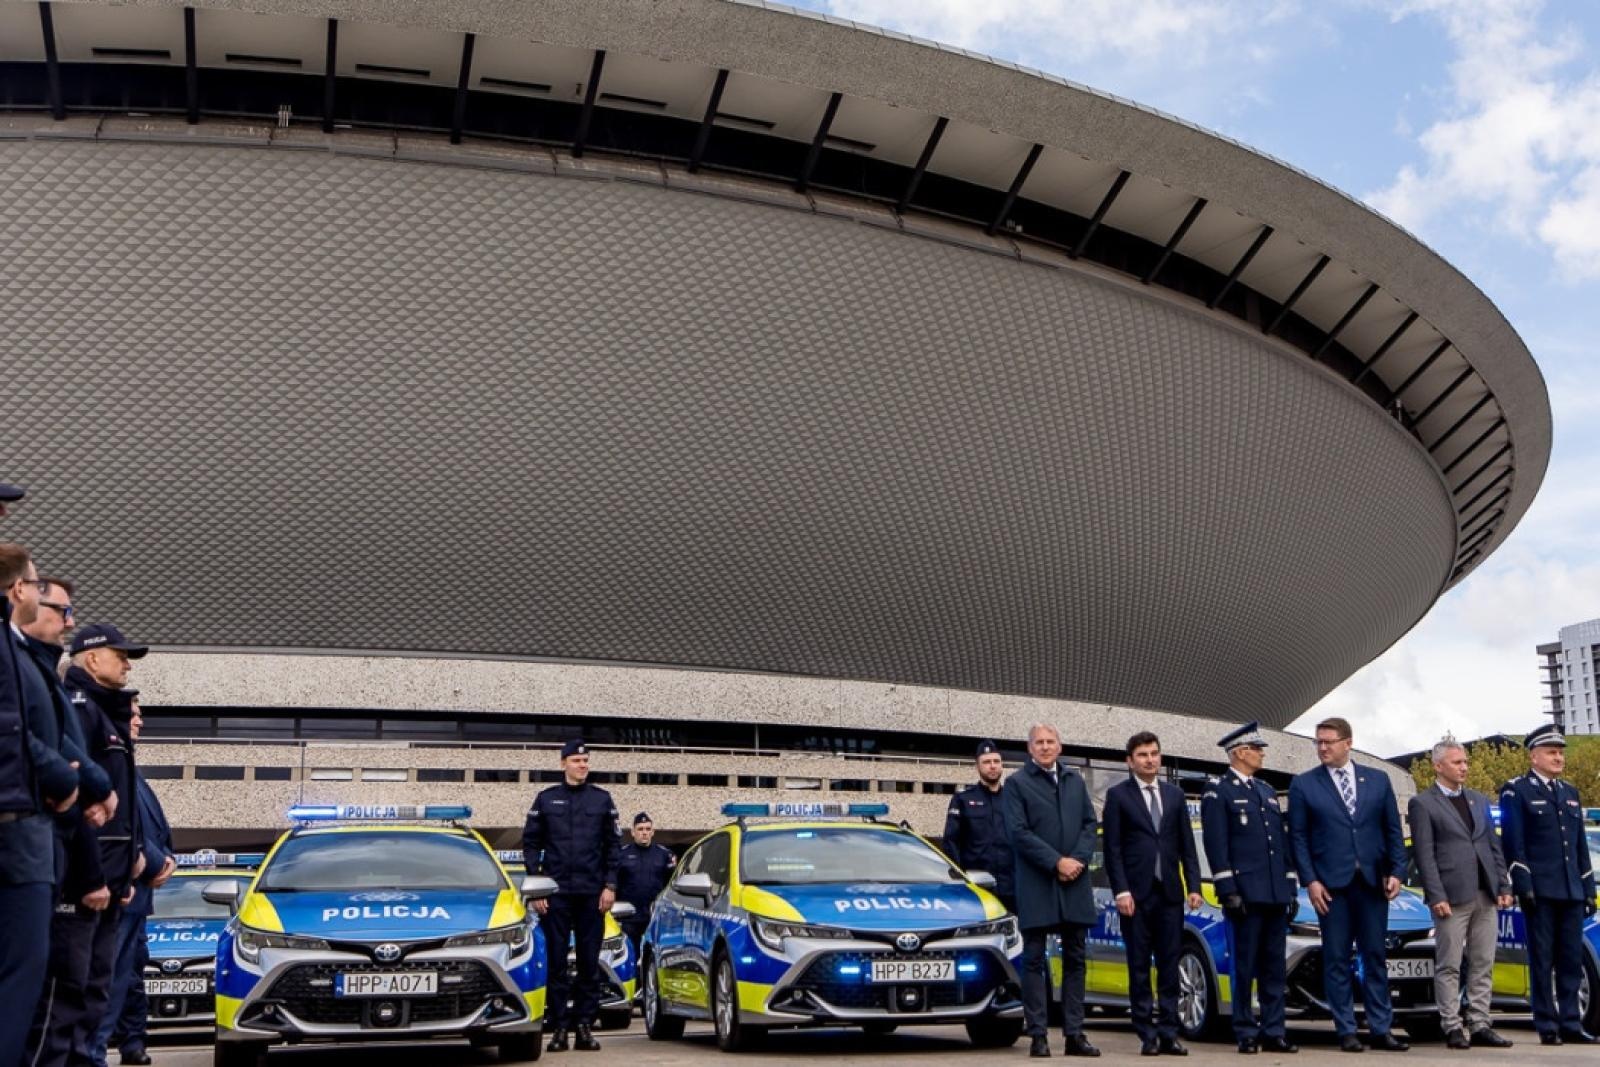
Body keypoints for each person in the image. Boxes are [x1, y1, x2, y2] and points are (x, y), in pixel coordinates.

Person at [36, 623, 149, 1067]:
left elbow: (121, 808)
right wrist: (91, 874)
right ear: (92, 657)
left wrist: (129, 863)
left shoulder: (107, 714)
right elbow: (80, 803)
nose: (126, 663)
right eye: (119, 654)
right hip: (84, 884)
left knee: (95, 994)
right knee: (70, 994)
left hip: (110, 883)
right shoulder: (80, 711)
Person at [1287, 716, 1408, 1053]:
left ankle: (1381, 1028)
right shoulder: (1304, 785)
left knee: (1375, 956)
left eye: (1328, 741)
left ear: (1347, 742)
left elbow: (1392, 831)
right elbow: (1298, 838)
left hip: (1372, 883)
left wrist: (1397, 870)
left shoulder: (1378, 780)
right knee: (1337, 958)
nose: (1322, 747)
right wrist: (1310, 880)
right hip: (1331, 887)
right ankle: (1346, 1029)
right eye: (1318, 742)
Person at [1, 533, 74, 1067]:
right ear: (18, 590)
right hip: (17, 825)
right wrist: (69, 780)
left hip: (25, 822)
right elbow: (14, 731)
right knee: (20, 978)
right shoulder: (14, 652)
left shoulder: (16, 650)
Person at [1002, 723, 1100, 1059]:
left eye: (1050, 741)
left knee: (1075, 958)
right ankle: (1038, 1035)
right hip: (1038, 882)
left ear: (1060, 746)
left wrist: (1078, 860)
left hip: (1075, 882)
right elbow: (1017, 832)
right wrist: (1056, 861)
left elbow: (1090, 824)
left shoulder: (1074, 781)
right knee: (1034, 960)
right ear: (1029, 749)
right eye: (1039, 743)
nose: (1045, 747)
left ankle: (1075, 1034)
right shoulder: (1016, 784)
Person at [1407, 739, 1513, 1050]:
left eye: (1465, 762)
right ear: (1438, 766)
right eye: (1457, 763)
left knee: (1483, 961)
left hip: (1485, 893)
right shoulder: (1423, 804)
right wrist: (1435, 894)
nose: (1464, 767)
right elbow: (1425, 855)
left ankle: (1480, 1022)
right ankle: (1452, 1025)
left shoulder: (1479, 800)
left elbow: (1492, 846)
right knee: (1450, 964)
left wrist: (1504, 886)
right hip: (1451, 897)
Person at [1101, 731, 1202, 1057]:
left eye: (1155, 753)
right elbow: (1112, 849)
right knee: (1140, 965)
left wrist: (1195, 887)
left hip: (1171, 894)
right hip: (1136, 896)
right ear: (1130, 761)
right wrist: (1121, 891)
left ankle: (1170, 1032)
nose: (1150, 760)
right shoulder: (1118, 796)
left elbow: (1187, 845)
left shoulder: (1174, 795)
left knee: (1170, 964)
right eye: (1143, 755)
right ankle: (1147, 1034)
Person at [1200, 722, 1298, 1055]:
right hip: (1245, 893)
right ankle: (1244, 1030)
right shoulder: (1219, 791)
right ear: (1240, 752)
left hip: (1273, 894)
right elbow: (1217, 844)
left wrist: (1289, 887)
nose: (1261, 754)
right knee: (1244, 966)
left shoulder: (1267, 791)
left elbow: (1280, 845)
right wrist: (1227, 889)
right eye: (1256, 749)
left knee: (1273, 968)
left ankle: (1274, 1030)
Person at [1499, 724, 1597, 1046]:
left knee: (1570, 959)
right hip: (1540, 890)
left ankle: (1571, 1022)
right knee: (1543, 959)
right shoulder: (1517, 790)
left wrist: (1588, 889)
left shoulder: (1569, 793)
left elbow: (1580, 846)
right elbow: (1515, 843)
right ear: (1534, 756)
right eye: (1552, 752)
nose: (1558, 758)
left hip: (1570, 889)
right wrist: (1523, 884)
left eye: (1560, 753)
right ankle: (1547, 1024)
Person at [522, 739, 620, 1053]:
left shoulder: (602, 800)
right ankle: (560, 1027)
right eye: (577, 760)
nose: (582, 766)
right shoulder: (546, 799)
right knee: (556, 963)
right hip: (556, 895)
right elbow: (530, 844)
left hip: (592, 894)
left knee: (590, 964)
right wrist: (537, 883)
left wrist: (610, 886)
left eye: (586, 761)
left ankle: (584, 1027)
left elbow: (613, 848)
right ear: (563, 762)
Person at [97, 699, 175, 1067]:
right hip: (124, 890)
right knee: (108, 978)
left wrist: (167, 859)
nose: (140, 720)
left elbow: (153, 827)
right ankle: (95, 1051)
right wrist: (155, 863)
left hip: (140, 898)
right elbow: (126, 830)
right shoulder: (111, 762)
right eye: (134, 712)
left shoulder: (132, 769)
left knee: (129, 976)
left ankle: (132, 1042)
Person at [943, 739, 1016, 912]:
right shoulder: (963, 799)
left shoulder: (1014, 800)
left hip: (1012, 889)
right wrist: (961, 881)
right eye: (987, 762)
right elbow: (951, 843)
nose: (992, 766)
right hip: (977, 888)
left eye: (996, 762)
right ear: (977, 766)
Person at [615, 812, 674, 953]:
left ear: (653, 832)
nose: (644, 833)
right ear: (633, 832)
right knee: (629, 953)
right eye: (640, 829)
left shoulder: (664, 855)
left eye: (648, 829)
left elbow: (671, 884)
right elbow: (612, 884)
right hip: (629, 917)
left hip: (654, 916)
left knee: (654, 955)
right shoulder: (621, 855)